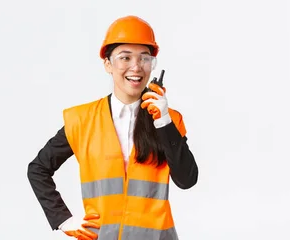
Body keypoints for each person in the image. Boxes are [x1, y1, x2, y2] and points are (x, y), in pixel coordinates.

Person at [27, 15, 199, 240]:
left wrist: (163, 122)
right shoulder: (82, 120)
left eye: (144, 58)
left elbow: (186, 180)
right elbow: (38, 169)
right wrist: (62, 219)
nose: (136, 67)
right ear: (108, 64)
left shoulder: (169, 120)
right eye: (125, 58)